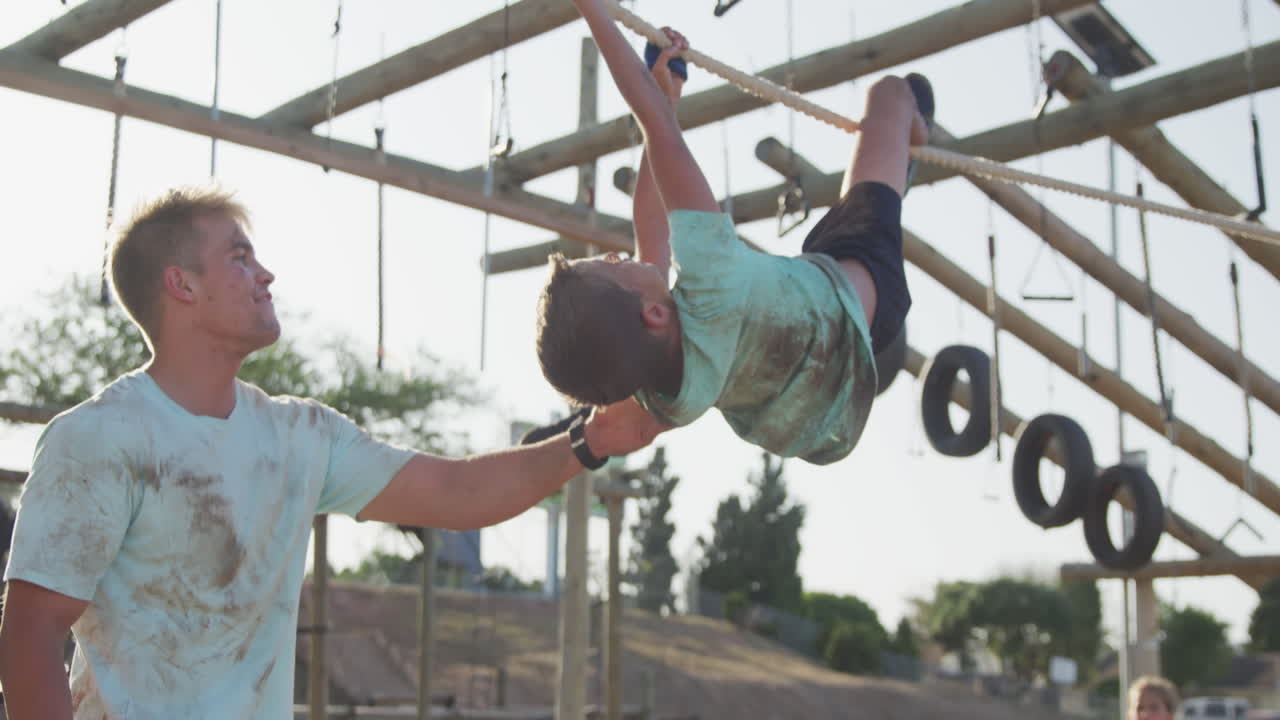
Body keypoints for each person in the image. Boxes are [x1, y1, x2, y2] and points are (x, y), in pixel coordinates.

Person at [0, 186, 666, 719]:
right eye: (239, 257)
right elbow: (31, 634)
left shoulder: (300, 436)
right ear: (182, 284)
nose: (266, 273)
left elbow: (456, 493)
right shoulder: (99, 436)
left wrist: (589, 440)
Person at [535, 0, 933, 465]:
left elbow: (651, 231)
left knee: (837, 228)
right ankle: (913, 133)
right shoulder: (712, 282)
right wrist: (595, 13)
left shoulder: (663, 393)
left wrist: (667, 97)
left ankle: (891, 170)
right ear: (654, 314)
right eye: (615, 264)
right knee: (891, 94)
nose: (617, 256)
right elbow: (660, 133)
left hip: (823, 388)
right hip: (861, 284)